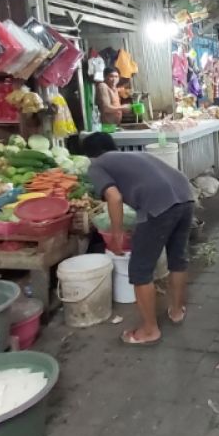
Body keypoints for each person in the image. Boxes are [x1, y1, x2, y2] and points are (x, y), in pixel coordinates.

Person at [82, 132, 194, 346]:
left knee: (140, 270)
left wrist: (116, 235)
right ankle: (177, 311)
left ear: (90, 155)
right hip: (185, 196)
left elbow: (114, 197)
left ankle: (150, 330)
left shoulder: (97, 165)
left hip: (158, 205)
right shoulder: (135, 155)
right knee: (178, 258)